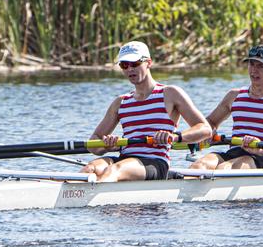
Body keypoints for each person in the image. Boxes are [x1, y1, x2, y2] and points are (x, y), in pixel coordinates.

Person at [82, 41, 211, 182]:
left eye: (135, 63)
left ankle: (95, 197)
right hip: (123, 158)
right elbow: (94, 143)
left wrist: (174, 137)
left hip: (154, 163)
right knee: (91, 168)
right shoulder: (121, 102)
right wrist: (107, 147)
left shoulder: (170, 94)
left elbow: (205, 129)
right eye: (124, 65)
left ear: (149, 63)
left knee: (114, 169)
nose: (130, 69)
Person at [189, 44, 263, 170]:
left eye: (261, 66)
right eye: (252, 64)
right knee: (198, 165)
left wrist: (262, 149)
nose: (254, 70)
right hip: (233, 152)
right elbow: (210, 122)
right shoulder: (234, 96)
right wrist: (209, 132)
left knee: (225, 168)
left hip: (262, 158)